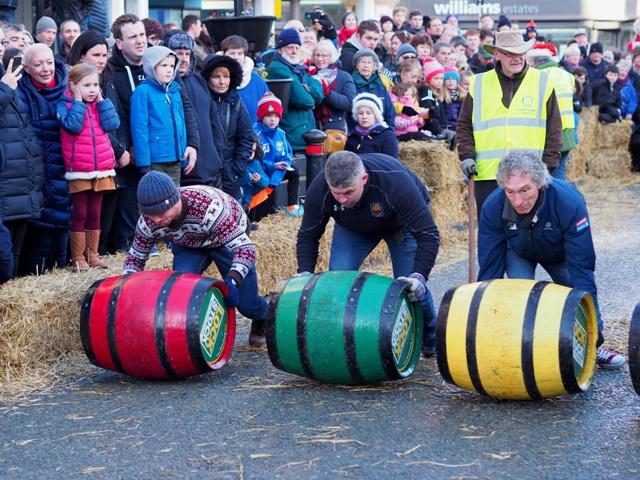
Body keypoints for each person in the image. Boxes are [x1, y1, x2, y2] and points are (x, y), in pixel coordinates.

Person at [477, 149, 624, 370]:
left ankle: (595, 347)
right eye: (510, 192)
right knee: (520, 297)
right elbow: (490, 264)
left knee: (577, 293)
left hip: (560, 253)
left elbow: (582, 268)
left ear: (540, 182)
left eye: (524, 190)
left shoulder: (569, 202)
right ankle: (522, 350)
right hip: (520, 250)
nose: (517, 200)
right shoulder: (493, 205)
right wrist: (481, 315)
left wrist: (595, 334)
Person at [296, 151, 440, 356]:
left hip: (401, 224)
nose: (342, 199)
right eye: (336, 193)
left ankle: (430, 336)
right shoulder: (319, 189)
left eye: (348, 192)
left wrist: (420, 275)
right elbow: (308, 235)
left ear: (364, 179)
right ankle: (344, 335)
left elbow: (429, 234)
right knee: (339, 278)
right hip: (353, 226)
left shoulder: (395, 182)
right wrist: (304, 272)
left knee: (411, 287)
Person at [123, 171, 269, 347]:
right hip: (189, 243)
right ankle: (187, 336)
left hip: (224, 238)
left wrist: (233, 279)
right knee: (179, 291)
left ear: (175, 199)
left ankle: (264, 316)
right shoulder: (149, 221)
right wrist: (126, 286)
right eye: (151, 214)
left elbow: (245, 249)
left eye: (161, 212)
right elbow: (135, 258)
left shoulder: (208, 207)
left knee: (246, 304)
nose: (157, 219)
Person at [107, 14, 198, 252]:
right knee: (139, 207)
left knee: (172, 199)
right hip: (132, 155)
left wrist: (192, 143)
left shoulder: (164, 63)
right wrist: (125, 148)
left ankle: (173, 241)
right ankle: (139, 248)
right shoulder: (113, 72)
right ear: (119, 42)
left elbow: (184, 107)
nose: (140, 41)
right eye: (133, 36)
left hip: (168, 151)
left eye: (142, 35)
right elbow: (121, 117)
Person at [457, 30, 563, 214]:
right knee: (492, 232)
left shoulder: (542, 82)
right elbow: (464, 124)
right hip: (488, 174)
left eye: (520, 53)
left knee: (528, 233)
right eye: (509, 53)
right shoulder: (479, 83)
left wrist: (548, 164)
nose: (517, 58)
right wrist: (466, 155)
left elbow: (554, 128)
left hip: (529, 174)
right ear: (497, 54)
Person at [56, 63, 119, 270]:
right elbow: (73, 126)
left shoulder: (99, 104)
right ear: (74, 86)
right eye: (87, 85)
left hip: (102, 169)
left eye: (95, 85)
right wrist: (77, 101)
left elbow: (112, 124)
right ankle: (77, 257)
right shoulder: (65, 105)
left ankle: (93, 254)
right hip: (79, 171)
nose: (93, 90)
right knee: (80, 213)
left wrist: (102, 102)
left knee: (95, 213)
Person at [17, 44, 70, 273]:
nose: (45, 69)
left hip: (65, 172)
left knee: (61, 246)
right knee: (38, 249)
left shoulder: (69, 87)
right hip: (36, 177)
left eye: (49, 62)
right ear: (27, 68)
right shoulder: (19, 92)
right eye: (38, 64)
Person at [0, 56, 44, 279]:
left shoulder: (7, 77)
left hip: (21, 180)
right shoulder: (7, 84)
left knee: (14, 253)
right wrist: (5, 89)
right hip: (6, 181)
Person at [130, 46, 195, 185]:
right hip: (155, 160)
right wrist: (144, 164)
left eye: (172, 65)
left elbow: (181, 123)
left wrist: (182, 151)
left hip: (176, 157)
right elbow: (139, 129)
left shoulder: (175, 91)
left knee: (174, 198)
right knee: (157, 200)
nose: (169, 69)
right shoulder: (142, 92)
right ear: (151, 67)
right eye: (164, 65)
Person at [166, 32, 223, 188]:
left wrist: (218, 158)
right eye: (179, 53)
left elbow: (214, 123)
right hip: (186, 173)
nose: (184, 59)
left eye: (187, 53)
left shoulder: (199, 81)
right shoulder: (165, 88)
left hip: (212, 172)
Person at [201, 54, 254, 200]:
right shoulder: (201, 102)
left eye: (226, 76)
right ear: (208, 78)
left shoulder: (236, 103)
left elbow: (246, 137)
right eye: (216, 76)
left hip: (230, 171)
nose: (222, 81)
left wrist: (237, 169)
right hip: (206, 172)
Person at [266, 28, 324, 152]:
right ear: (280, 49)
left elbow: (319, 94)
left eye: (297, 48)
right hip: (292, 134)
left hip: (303, 133)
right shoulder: (278, 69)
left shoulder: (297, 69)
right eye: (290, 47)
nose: (294, 51)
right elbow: (305, 101)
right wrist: (308, 91)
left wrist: (305, 88)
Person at [527, 47, 577, 181]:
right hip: (567, 131)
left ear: (534, 62)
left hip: (548, 132)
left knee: (544, 174)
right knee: (560, 172)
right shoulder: (566, 74)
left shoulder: (537, 76)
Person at [253, 92, 303, 216]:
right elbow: (254, 160)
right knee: (262, 214)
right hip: (261, 173)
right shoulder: (255, 134)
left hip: (276, 171)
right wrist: (273, 165)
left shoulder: (281, 133)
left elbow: (288, 154)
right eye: (269, 115)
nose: (273, 119)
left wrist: (284, 163)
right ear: (261, 116)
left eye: (276, 115)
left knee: (294, 171)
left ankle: (292, 206)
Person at [220, 35, 269, 125]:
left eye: (240, 53)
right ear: (224, 55)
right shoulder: (215, 80)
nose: (236, 57)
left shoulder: (257, 81)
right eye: (232, 53)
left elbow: (269, 110)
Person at [311, 39, 356, 134]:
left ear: (331, 57)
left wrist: (327, 93)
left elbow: (349, 103)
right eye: (317, 55)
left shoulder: (343, 76)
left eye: (324, 55)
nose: (320, 59)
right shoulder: (310, 75)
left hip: (335, 127)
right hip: (313, 125)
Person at [350, 48, 395, 130]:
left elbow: (389, 110)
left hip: (380, 130)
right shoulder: (351, 84)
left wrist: (389, 128)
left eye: (369, 63)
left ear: (374, 66)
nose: (366, 66)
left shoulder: (380, 85)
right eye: (362, 62)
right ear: (357, 66)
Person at [346, 92, 398, 157]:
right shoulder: (351, 136)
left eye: (368, 113)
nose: (364, 116)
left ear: (376, 115)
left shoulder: (387, 135)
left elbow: (391, 161)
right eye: (360, 113)